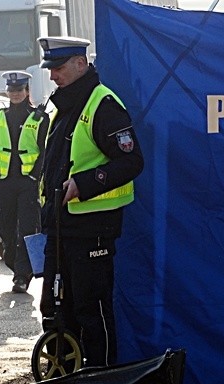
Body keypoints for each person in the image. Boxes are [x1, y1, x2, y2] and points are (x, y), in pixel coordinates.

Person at [36, 36, 144, 367]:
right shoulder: (63, 106)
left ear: (80, 64)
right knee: (54, 308)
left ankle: (101, 379)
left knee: (90, 307)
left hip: (92, 228)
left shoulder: (103, 105)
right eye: (50, 69)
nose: (53, 75)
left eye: (58, 68)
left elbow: (131, 162)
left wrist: (83, 185)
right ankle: (61, 378)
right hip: (60, 226)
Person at [0, 70, 49, 293]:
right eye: (12, 90)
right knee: (6, 229)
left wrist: (35, 176)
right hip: (5, 182)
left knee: (27, 230)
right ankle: (16, 266)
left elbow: (45, 151)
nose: (15, 94)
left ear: (27, 91)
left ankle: (22, 276)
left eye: (19, 90)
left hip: (28, 183)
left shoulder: (39, 117)